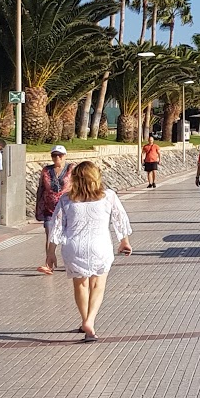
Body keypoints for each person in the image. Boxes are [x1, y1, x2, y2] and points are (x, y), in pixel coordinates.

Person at [47, 161, 133, 341]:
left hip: (73, 246)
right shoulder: (108, 196)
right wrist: (124, 241)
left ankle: (84, 320)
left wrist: (50, 253)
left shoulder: (66, 199)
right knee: (97, 285)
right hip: (99, 245)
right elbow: (120, 218)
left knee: (80, 285)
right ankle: (90, 321)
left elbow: (56, 226)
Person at [34, 146, 73, 275]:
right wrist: (38, 207)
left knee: (68, 236)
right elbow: (41, 188)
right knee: (50, 234)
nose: (57, 158)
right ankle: (48, 264)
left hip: (67, 208)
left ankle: (70, 262)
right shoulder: (46, 170)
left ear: (65, 156)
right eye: (54, 155)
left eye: (60, 155)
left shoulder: (71, 169)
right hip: (49, 208)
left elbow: (76, 186)